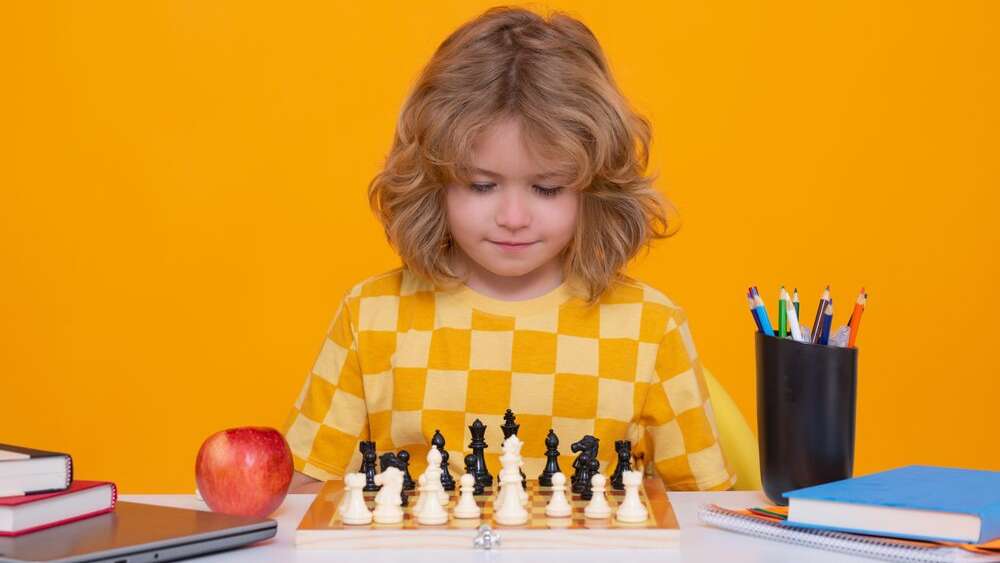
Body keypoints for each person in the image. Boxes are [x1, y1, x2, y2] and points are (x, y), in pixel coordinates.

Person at [284, 6, 735, 494]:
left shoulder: (651, 327)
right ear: (433, 181)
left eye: (546, 188)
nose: (514, 217)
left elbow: (703, 510)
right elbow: (307, 491)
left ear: (595, 187)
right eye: (481, 185)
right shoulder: (369, 317)